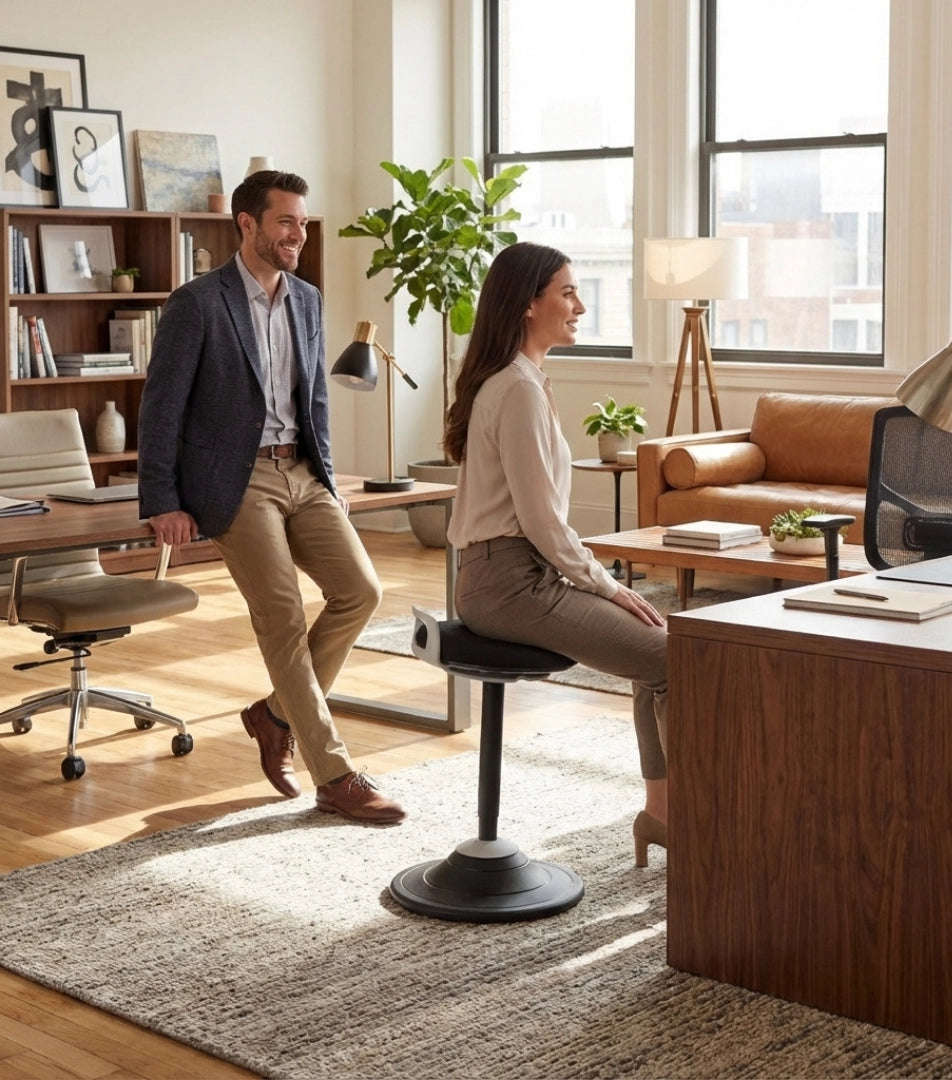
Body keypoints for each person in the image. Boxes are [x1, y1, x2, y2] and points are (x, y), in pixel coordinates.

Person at [137, 169, 405, 824]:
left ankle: (273, 715)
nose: (299, 233)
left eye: (303, 222)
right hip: (236, 479)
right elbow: (160, 408)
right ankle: (335, 774)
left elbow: (313, 399)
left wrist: (332, 479)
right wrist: (161, 499)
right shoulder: (197, 303)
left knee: (362, 591)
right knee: (282, 615)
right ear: (247, 224)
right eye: (286, 221)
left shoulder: (308, 300)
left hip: (303, 473)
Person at [444, 241, 669, 867]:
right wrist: (607, 584)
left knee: (666, 656)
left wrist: (598, 583)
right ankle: (677, 814)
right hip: (510, 584)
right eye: (567, 292)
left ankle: (666, 813)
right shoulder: (515, 389)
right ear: (527, 304)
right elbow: (542, 523)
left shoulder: (523, 381)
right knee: (675, 658)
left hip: (516, 575)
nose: (581, 305)